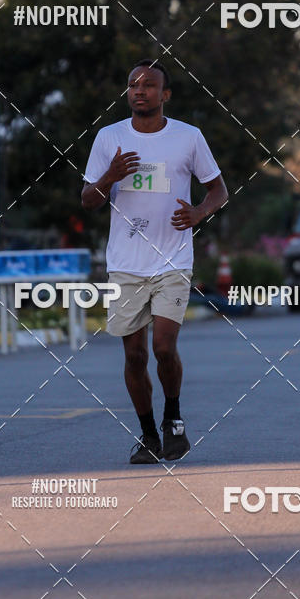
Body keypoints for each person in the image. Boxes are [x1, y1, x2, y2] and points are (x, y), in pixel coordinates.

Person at [82, 60, 228, 464]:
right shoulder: (109, 138)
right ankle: (148, 435)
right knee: (134, 356)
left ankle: (173, 419)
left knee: (164, 347)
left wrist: (199, 213)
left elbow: (219, 190)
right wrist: (109, 175)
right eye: (133, 85)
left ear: (165, 95)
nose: (139, 91)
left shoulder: (188, 137)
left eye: (149, 85)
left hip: (173, 260)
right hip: (126, 264)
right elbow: (88, 201)